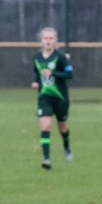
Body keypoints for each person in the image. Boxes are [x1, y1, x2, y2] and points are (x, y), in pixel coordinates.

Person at [31, 26, 73, 169]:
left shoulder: (60, 58)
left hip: (60, 98)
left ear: (55, 41)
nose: (48, 41)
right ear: (41, 41)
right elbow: (38, 73)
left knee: (62, 127)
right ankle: (46, 159)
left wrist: (53, 74)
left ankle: (66, 145)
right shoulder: (36, 58)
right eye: (45, 38)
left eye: (51, 38)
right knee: (46, 126)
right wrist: (36, 81)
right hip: (44, 98)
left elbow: (69, 75)